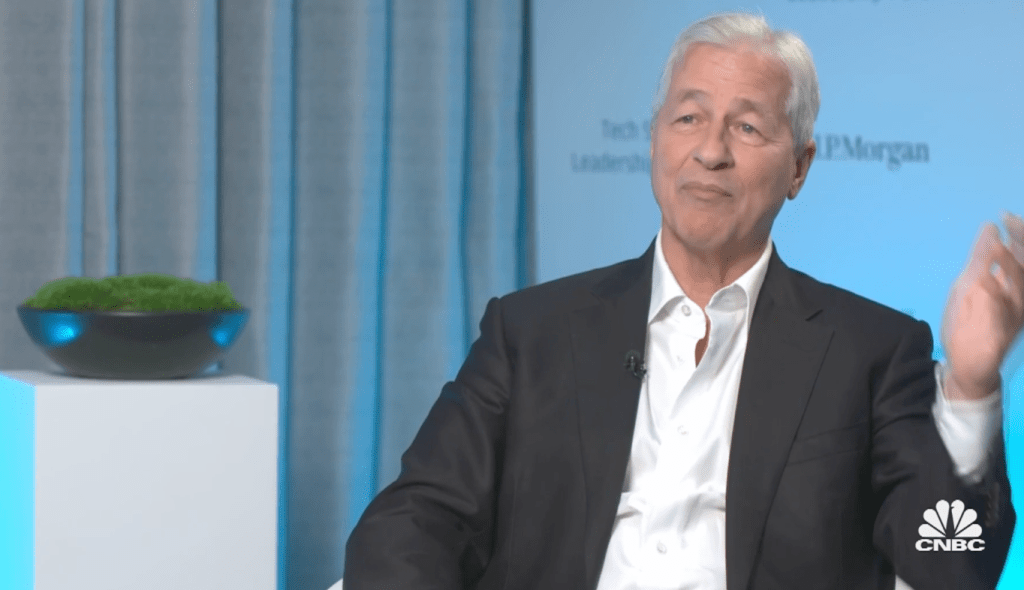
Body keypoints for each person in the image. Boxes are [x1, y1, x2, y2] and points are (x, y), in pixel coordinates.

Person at [344, 12, 1021, 590]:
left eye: (747, 128)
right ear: (654, 140)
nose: (710, 151)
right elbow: (417, 519)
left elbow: (948, 565)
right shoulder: (531, 332)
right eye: (689, 118)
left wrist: (969, 389)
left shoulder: (871, 350)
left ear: (798, 167)